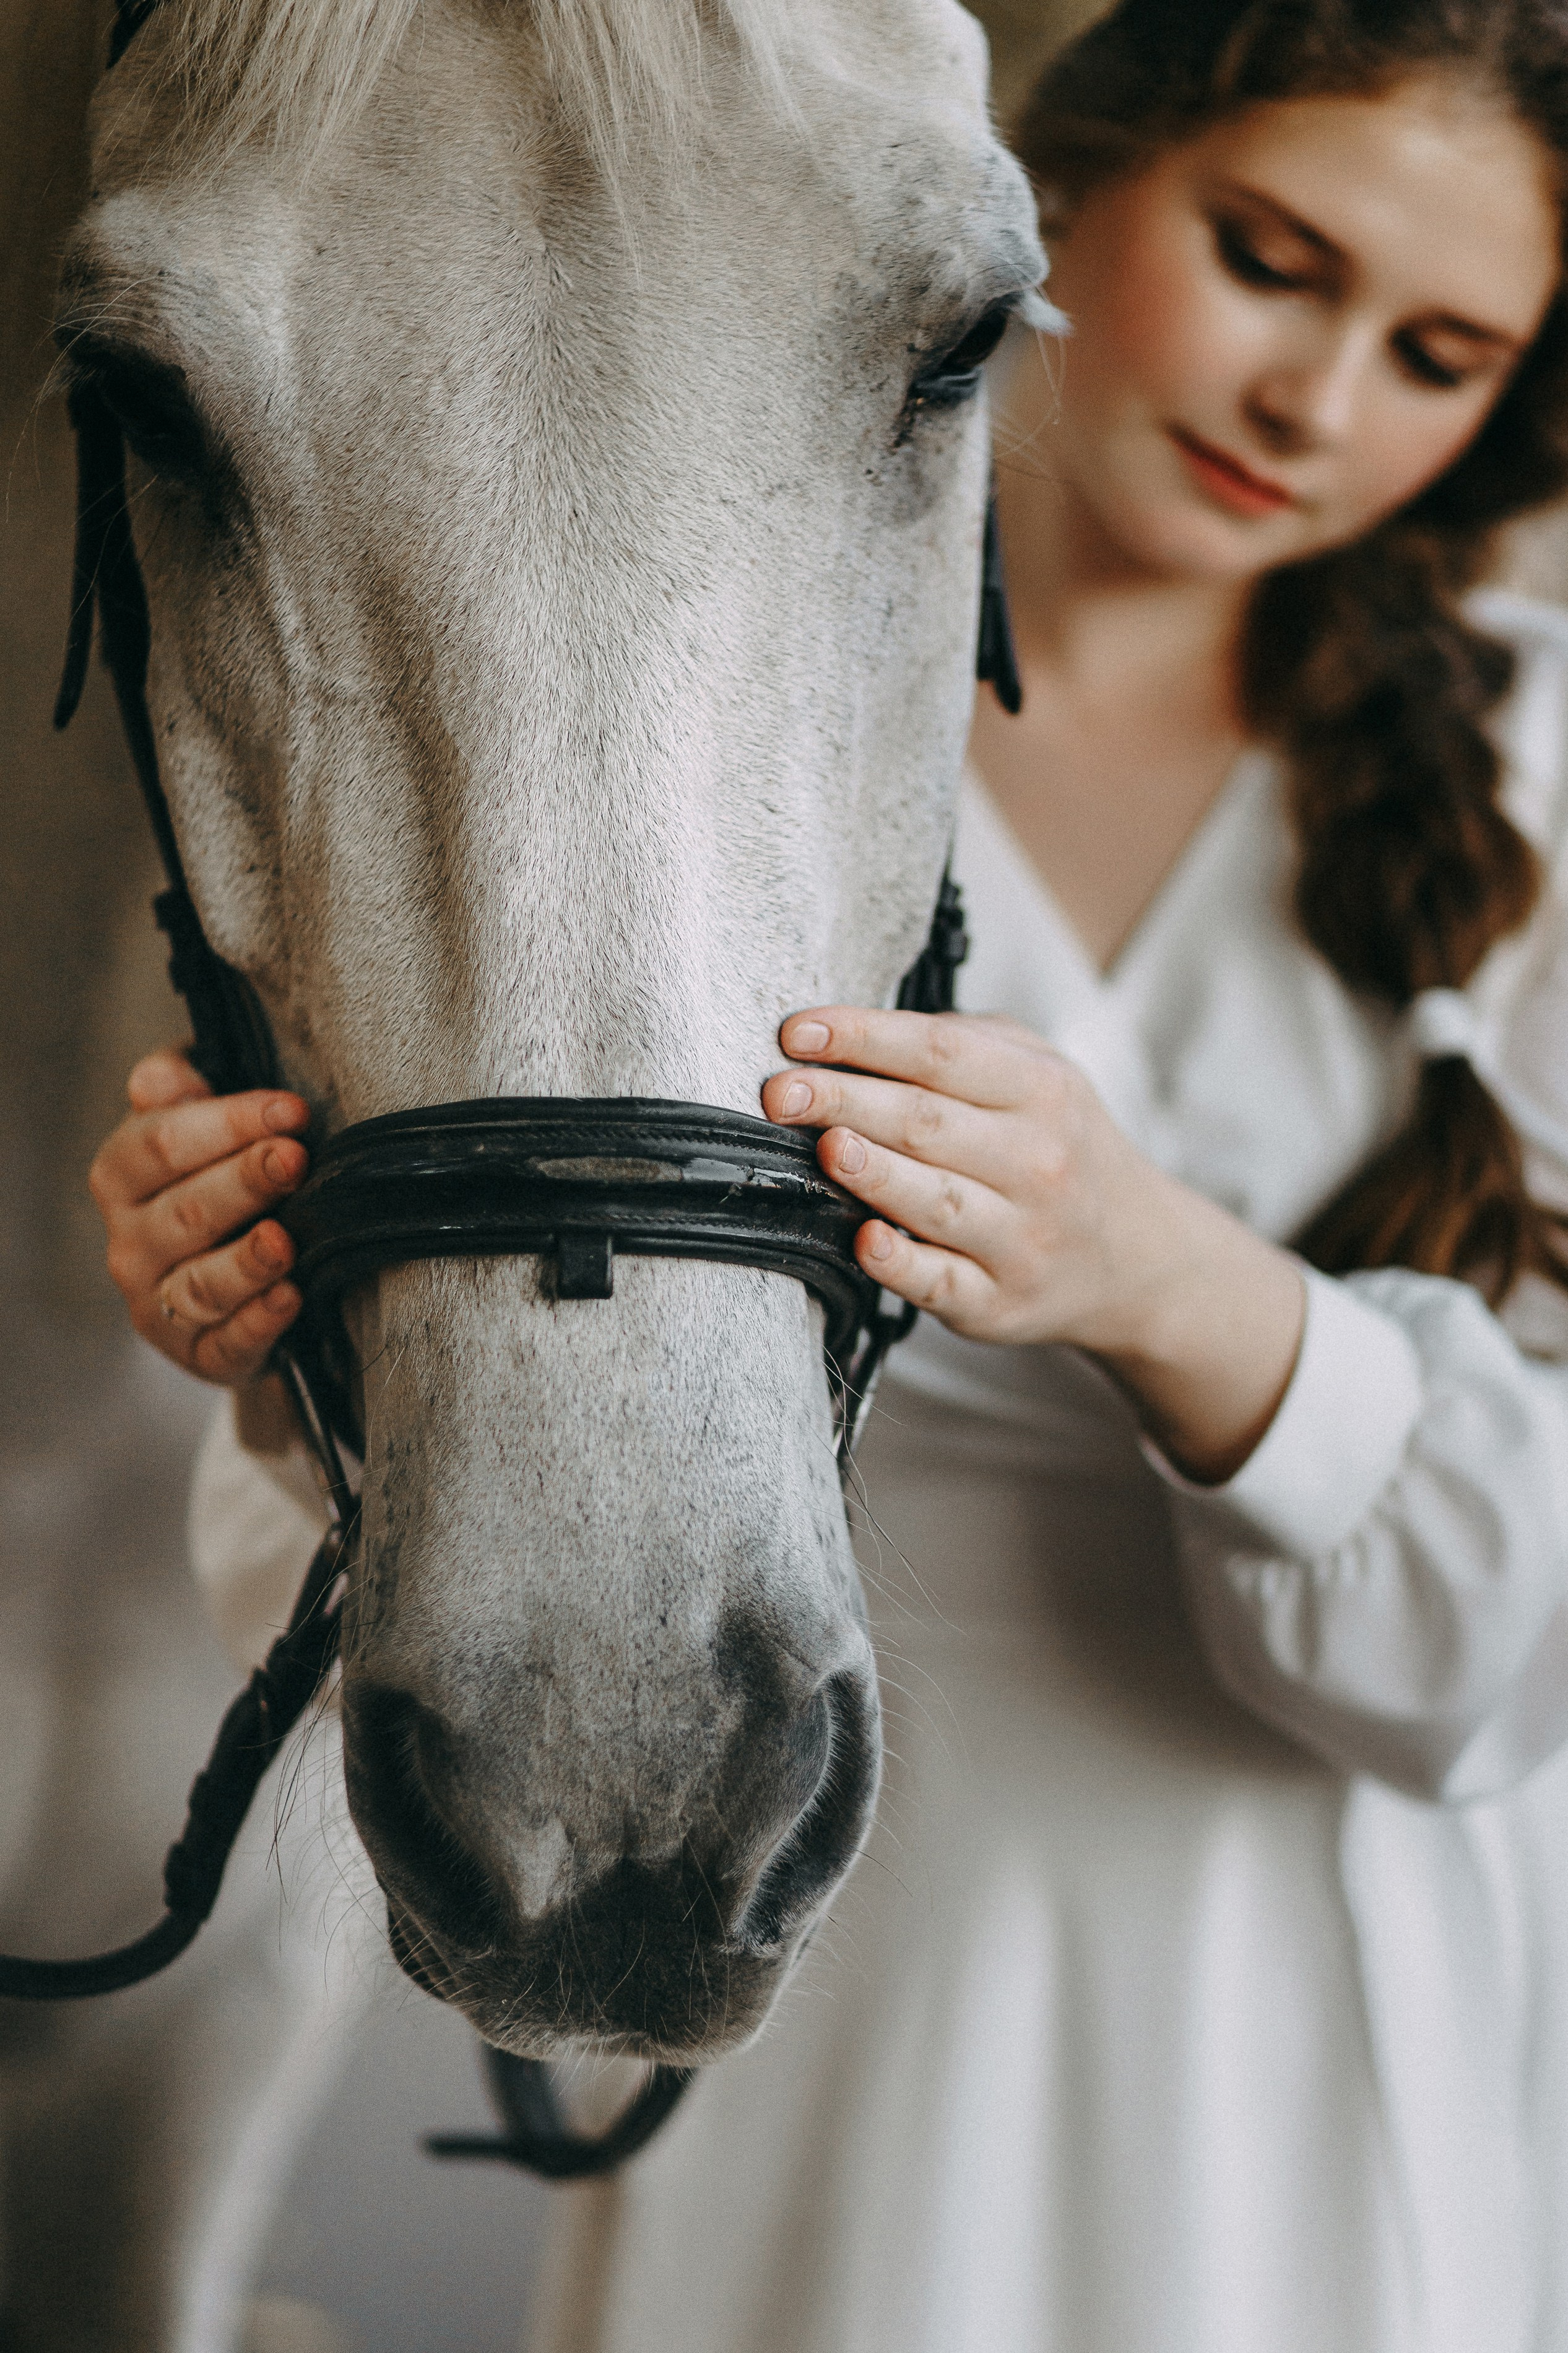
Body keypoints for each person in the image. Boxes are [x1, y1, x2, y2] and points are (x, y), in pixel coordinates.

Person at [87, 1, 1568, 2344]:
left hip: (1327, 2093)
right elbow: (374, 1581)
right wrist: (284, 1350)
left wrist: (1169, 1281)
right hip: (817, 2011)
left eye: (1444, 348)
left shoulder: (1540, 783)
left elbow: (1523, 1662)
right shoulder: (618, 767)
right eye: (1274, 256)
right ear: (1052, 192)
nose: (1323, 393)